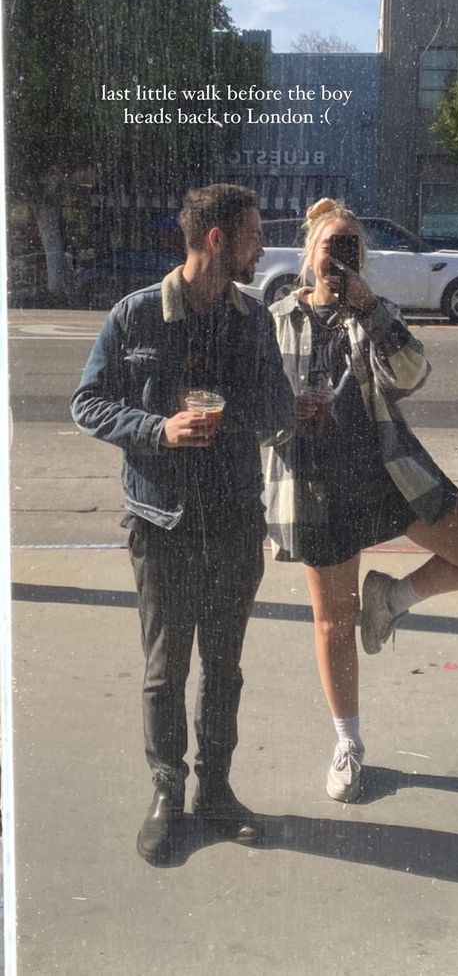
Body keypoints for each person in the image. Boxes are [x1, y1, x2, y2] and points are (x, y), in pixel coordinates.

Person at [71, 184, 294, 863]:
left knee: (224, 667)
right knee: (166, 671)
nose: (262, 248)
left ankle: (215, 791)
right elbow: (88, 403)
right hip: (161, 522)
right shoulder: (138, 316)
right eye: (254, 235)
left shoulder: (251, 319)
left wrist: (253, 415)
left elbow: (278, 404)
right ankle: (167, 793)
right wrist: (159, 429)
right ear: (219, 238)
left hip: (232, 519)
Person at [265, 198, 458, 803]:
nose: (340, 257)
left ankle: (392, 599)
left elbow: (411, 376)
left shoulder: (375, 314)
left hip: (386, 475)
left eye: (352, 248)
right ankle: (347, 741)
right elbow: (250, 404)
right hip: (313, 484)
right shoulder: (275, 320)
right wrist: (285, 418)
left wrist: (369, 308)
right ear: (309, 254)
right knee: (332, 622)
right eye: (332, 246)